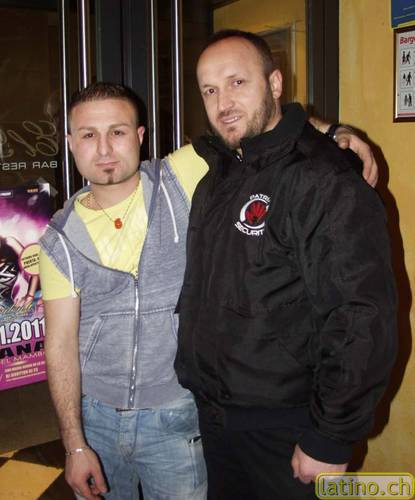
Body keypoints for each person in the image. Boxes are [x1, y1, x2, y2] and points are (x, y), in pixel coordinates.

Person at [39, 81, 378, 499]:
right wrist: (74, 444)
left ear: (140, 136)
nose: (105, 148)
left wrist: (332, 130)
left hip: (176, 418)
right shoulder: (59, 239)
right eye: (89, 135)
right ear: (71, 142)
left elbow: (257, 122)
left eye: (118, 131)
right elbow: (59, 345)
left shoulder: (177, 178)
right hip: (97, 422)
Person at [174, 30, 397, 499]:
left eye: (237, 83)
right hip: (220, 419)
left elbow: (360, 315)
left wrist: (331, 437)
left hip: (289, 425)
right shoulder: (218, 176)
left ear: (275, 83)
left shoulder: (323, 178)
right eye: (210, 90)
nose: (223, 103)